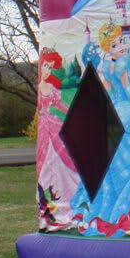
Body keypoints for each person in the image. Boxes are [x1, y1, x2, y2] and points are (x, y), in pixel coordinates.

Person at [71, 22, 130, 237]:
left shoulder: (106, 67)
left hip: (113, 111)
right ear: (108, 48)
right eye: (115, 44)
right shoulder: (122, 63)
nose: (121, 46)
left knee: (114, 157)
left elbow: (106, 90)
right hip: (126, 111)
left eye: (121, 42)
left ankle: (109, 205)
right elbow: (129, 92)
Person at [36, 48, 79, 229]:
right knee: (46, 162)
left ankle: (69, 198)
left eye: (50, 67)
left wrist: (71, 114)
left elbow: (60, 105)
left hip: (53, 125)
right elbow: (41, 109)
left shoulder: (51, 88)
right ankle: (49, 206)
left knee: (63, 159)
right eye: (45, 66)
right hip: (45, 128)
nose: (47, 70)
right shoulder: (40, 88)